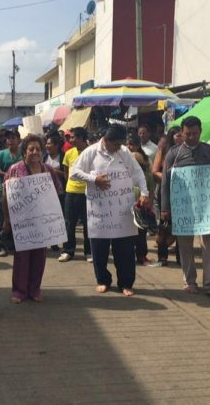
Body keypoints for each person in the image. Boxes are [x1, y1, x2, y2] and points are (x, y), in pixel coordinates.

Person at [70, 124, 149, 296]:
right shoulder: (91, 152)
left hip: (123, 212)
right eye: (116, 144)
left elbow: (138, 173)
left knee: (126, 250)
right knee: (99, 249)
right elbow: (73, 172)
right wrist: (93, 179)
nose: (119, 147)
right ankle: (103, 280)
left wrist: (144, 192)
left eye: (121, 144)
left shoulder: (125, 153)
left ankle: (126, 283)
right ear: (106, 140)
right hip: (99, 213)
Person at [161, 116, 210, 298]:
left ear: (200, 132)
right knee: (185, 246)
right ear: (181, 132)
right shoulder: (174, 154)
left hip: (208, 209)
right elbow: (165, 182)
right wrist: (165, 208)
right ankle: (189, 281)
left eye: (194, 133)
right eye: (187, 134)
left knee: (209, 246)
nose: (190, 137)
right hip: (183, 210)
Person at [3, 134, 63, 303]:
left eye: (38, 149)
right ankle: (19, 291)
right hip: (22, 222)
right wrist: (7, 220)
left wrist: (56, 219)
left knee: (39, 256)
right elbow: (5, 195)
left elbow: (57, 195)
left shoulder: (48, 170)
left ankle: (34, 289)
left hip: (43, 221)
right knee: (22, 257)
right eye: (31, 149)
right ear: (24, 152)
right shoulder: (14, 169)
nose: (35, 152)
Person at [59, 127, 91, 263]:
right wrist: (70, 185)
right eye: (70, 137)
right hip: (71, 192)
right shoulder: (69, 153)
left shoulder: (91, 153)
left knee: (88, 224)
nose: (71, 140)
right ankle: (68, 250)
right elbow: (66, 171)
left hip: (87, 193)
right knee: (69, 223)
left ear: (82, 138)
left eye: (73, 137)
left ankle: (89, 251)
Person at [152, 126, 183, 266]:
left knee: (181, 225)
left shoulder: (187, 151)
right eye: (178, 135)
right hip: (165, 191)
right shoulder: (165, 149)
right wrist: (168, 178)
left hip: (182, 193)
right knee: (164, 224)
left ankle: (180, 257)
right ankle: (162, 256)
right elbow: (155, 171)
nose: (181, 138)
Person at [126, 134, 156, 266]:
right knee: (128, 233)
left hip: (141, 205)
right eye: (127, 144)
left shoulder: (146, 173)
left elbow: (150, 190)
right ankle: (129, 255)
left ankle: (141, 255)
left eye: (131, 144)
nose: (129, 147)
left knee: (141, 232)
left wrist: (148, 203)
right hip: (127, 205)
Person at [0, 130, 22, 256]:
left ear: (19, 140)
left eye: (13, 138)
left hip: (21, 193)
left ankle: (16, 245)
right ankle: (2, 246)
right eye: (8, 139)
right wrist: (6, 175)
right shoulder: (1, 154)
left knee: (18, 220)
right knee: (2, 220)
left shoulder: (23, 154)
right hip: (3, 191)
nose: (10, 141)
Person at [43, 132, 66, 252]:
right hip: (45, 193)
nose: (47, 146)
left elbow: (68, 174)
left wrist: (54, 171)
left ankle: (55, 242)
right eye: (46, 143)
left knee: (57, 218)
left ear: (57, 145)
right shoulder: (43, 157)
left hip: (59, 192)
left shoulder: (63, 156)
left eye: (49, 143)